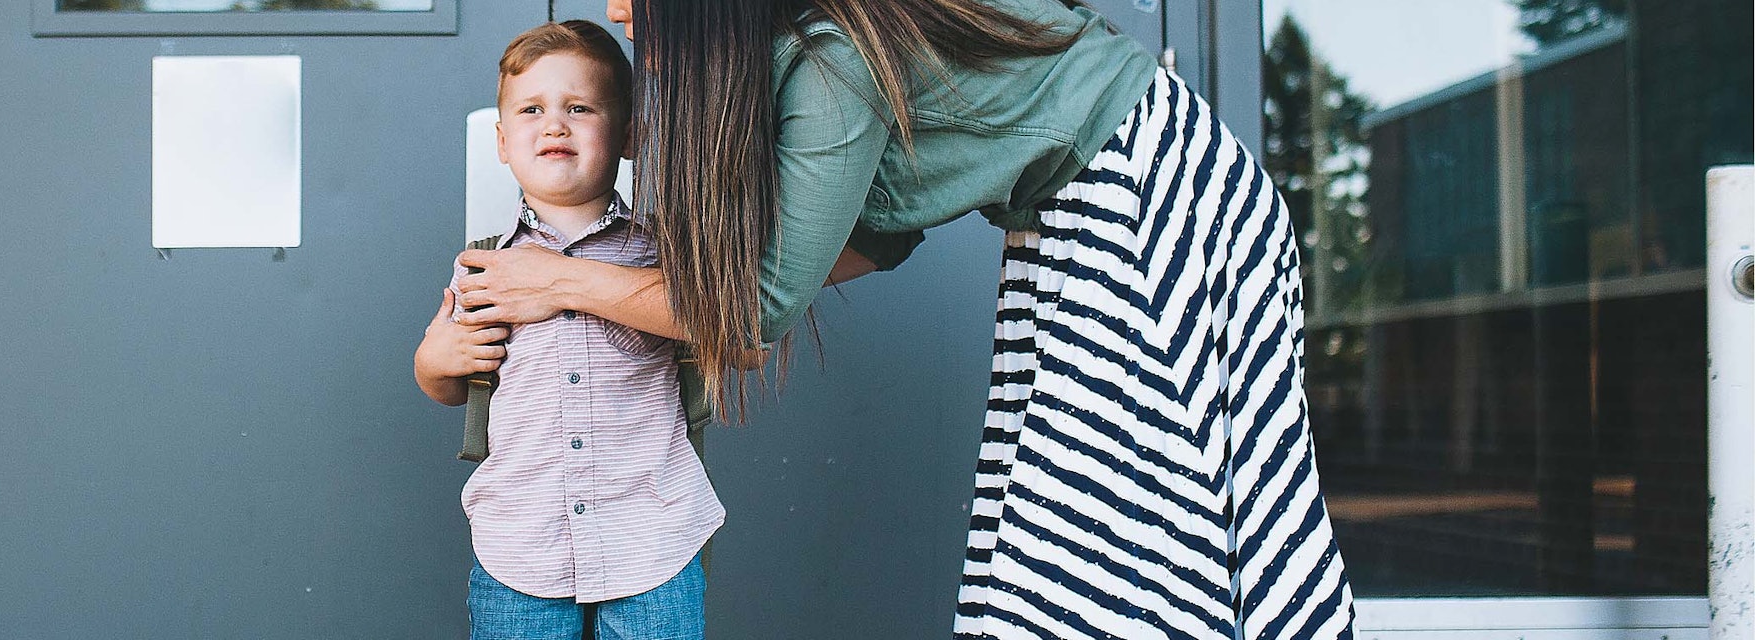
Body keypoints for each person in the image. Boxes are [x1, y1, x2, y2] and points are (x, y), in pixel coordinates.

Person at [451, 0, 1357, 637]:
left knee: (1111, 548)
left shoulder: (829, 56)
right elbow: (879, 239)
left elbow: (755, 311)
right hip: (1089, 207)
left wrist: (565, 286)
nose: (620, 8)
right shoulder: (814, 54)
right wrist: (689, 293)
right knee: (1064, 540)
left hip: (1152, 199)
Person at [412, 20, 720, 640]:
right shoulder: (482, 263)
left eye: (579, 107)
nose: (554, 124)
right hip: (521, 547)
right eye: (532, 109)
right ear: (502, 141)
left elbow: (731, 334)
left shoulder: (668, 255)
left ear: (628, 135)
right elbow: (453, 382)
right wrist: (434, 360)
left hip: (652, 541)